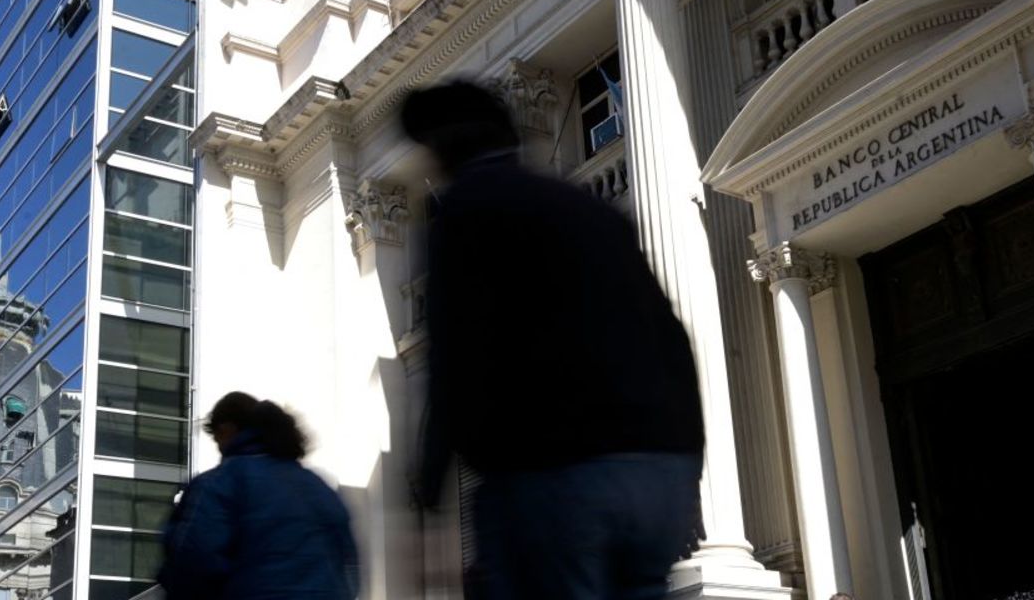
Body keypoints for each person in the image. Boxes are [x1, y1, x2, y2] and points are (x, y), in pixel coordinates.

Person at [405, 80, 706, 600]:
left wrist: (429, 488)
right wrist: (686, 461)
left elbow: (457, 356)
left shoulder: (466, 213)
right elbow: (669, 334)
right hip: (659, 472)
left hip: (559, 474)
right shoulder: (591, 210)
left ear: (441, 149)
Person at [158, 392, 359, 599]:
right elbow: (349, 567)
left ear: (226, 429)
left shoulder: (221, 482)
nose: (220, 450)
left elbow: (192, 563)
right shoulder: (318, 487)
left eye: (218, 440)